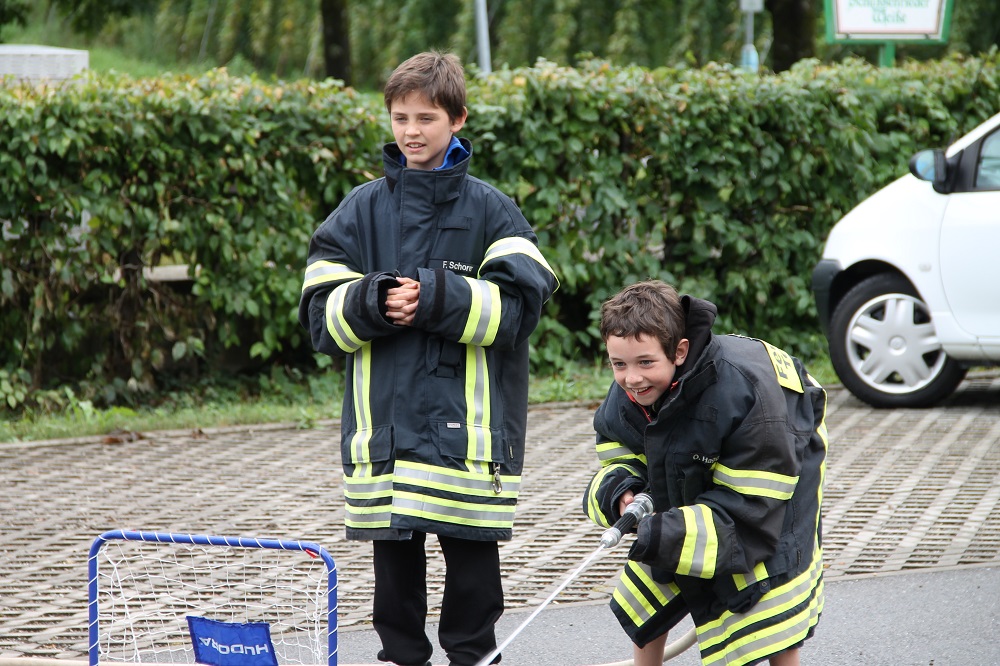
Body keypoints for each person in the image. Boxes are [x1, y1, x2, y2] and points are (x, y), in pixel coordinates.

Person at [298, 50, 558, 666]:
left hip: (466, 443)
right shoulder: (358, 210)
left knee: (473, 579)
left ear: (458, 119)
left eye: (426, 118)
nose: (411, 131)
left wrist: (437, 297)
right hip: (384, 437)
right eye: (399, 117)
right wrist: (375, 302)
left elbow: (522, 311)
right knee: (393, 584)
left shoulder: (493, 211)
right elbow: (317, 319)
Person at [582, 280, 826, 666]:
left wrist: (670, 530)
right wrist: (623, 490)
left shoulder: (743, 392)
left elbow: (750, 509)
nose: (632, 378)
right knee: (658, 557)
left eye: (645, 362)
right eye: (619, 364)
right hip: (704, 461)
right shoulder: (634, 390)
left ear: (679, 352)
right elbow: (618, 450)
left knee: (769, 583)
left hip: (781, 453)